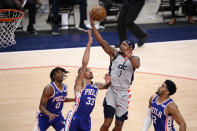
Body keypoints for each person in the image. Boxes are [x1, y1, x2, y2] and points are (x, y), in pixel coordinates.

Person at [90, 13, 141, 131]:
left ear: (130, 48)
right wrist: (93, 24)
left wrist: (129, 57)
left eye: (124, 44)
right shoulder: (114, 54)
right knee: (107, 123)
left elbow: (136, 65)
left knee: (118, 126)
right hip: (112, 92)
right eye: (121, 44)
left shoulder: (135, 58)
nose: (121, 45)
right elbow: (102, 42)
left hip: (124, 94)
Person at [64, 30, 111, 131]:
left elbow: (107, 86)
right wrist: (89, 44)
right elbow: (84, 63)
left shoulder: (96, 85)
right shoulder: (80, 84)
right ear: (81, 74)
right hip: (75, 117)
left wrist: (108, 81)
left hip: (86, 119)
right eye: (87, 70)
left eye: (90, 70)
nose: (90, 71)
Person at [33, 67, 75, 131]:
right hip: (44, 117)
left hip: (57, 117)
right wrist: (49, 114)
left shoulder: (65, 87)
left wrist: (75, 99)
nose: (61, 74)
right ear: (54, 76)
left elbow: (61, 99)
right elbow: (41, 106)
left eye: (61, 72)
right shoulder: (49, 88)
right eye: (58, 72)